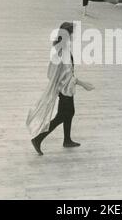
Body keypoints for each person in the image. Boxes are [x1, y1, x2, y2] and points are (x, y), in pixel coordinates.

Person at [27, 22, 95, 156]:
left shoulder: (60, 47)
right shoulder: (63, 51)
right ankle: (38, 139)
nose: (74, 35)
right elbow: (67, 74)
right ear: (68, 34)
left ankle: (67, 139)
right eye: (72, 33)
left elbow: (54, 72)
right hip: (65, 88)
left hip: (64, 88)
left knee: (69, 112)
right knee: (62, 115)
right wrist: (83, 84)